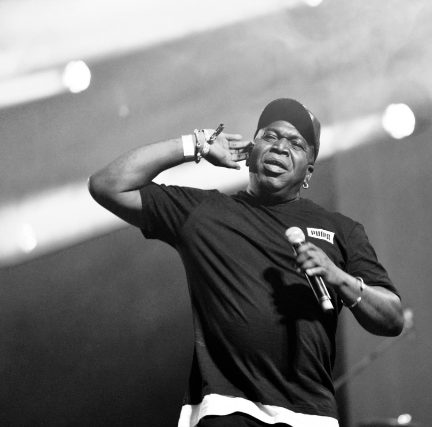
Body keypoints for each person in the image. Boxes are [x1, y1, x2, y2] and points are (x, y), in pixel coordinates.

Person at [88, 98, 404, 427]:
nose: (280, 147)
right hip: (226, 409)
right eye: (270, 136)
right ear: (251, 150)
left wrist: (338, 277)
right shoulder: (203, 213)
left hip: (313, 418)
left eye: (296, 143)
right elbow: (107, 185)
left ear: (309, 169)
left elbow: (392, 317)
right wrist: (196, 144)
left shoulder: (342, 230)